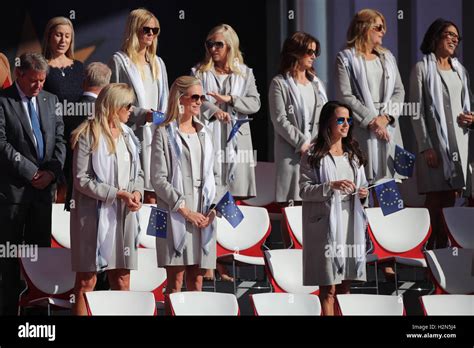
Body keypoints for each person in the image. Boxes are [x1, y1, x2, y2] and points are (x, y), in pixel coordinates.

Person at [336, 9, 405, 280]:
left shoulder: (387, 57)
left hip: (387, 132)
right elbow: (345, 95)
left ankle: (390, 256)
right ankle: (363, 254)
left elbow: (399, 91)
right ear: (364, 28)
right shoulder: (346, 58)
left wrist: (385, 118)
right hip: (364, 133)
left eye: (384, 27)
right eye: (378, 27)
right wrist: (371, 119)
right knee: (363, 192)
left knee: (389, 194)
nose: (382, 32)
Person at [150, 76, 223, 314]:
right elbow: (158, 179)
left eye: (201, 97)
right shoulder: (162, 132)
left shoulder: (206, 133)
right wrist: (185, 210)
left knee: (198, 280)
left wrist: (213, 209)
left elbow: (216, 175)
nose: (200, 102)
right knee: (176, 281)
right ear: (179, 99)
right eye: (195, 97)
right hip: (173, 214)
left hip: (203, 213)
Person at [69, 83, 144, 315]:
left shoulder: (129, 135)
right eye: (128, 105)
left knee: (121, 280)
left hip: (124, 215)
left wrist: (137, 193)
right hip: (91, 217)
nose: (132, 110)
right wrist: (116, 193)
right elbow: (81, 179)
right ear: (114, 106)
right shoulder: (86, 134)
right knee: (86, 282)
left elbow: (139, 174)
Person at [0, 53, 66, 315]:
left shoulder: (51, 100)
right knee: (10, 259)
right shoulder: (4, 102)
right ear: (19, 75)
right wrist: (31, 173)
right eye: (34, 81)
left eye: (42, 80)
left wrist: (50, 173)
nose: (39, 86)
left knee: (40, 256)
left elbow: (60, 141)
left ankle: (37, 315)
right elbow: (1, 143)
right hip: (13, 195)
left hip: (43, 193)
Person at [300, 101, 369, 316]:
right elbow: (304, 190)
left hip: (350, 223)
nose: (346, 124)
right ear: (328, 122)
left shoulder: (354, 154)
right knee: (328, 287)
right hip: (325, 226)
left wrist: (363, 193)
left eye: (349, 120)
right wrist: (331, 186)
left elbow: (363, 185)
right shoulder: (313, 153)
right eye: (341, 119)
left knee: (345, 286)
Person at [410, 18, 474, 249]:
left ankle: (444, 254)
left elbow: (465, 103)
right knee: (436, 199)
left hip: (459, 144)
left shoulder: (460, 70)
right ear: (435, 37)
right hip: (434, 146)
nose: (454, 39)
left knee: (449, 199)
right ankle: (431, 251)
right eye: (449, 34)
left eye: (457, 36)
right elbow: (416, 112)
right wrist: (426, 145)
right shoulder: (422, 69)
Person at [269, 31, 328, 247]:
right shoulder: (280, 83)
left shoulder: (315, 84)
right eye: (309, 51)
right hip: (292, 155)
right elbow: (280, 119)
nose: (314, 56)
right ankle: (292, 254)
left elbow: (324, 117)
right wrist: (302, 143)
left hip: (316, 155)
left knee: (313, 204)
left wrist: (320, 144)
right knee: (292, 205)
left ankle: (311, 254)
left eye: (316, 52)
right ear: (295, 53)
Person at [192, 23, 260, 200]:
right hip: (209, 134)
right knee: (209, 192)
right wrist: (215, 110)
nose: (213, 48)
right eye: (209, 44)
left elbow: (255, 103)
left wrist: (231, 99)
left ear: (230, 45)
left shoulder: (245, 73)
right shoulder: (199, 73)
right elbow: (194, 99)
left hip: (236, 139)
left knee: (235, 194)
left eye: (218, 44)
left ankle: (232, 227)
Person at [109, 8, 169, 204]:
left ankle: (156, 236)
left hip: (158, 135)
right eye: (146, 29)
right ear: (134, 30)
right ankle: (138, 235)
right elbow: (115, 103)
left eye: (155, 30)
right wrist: (144, 114)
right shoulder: (120, 61)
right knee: (140, 194)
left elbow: (166, 101)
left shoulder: (158, 63)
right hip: (134, 135)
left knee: (159, 195)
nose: (151, 34)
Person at [64, 62, 112, 212]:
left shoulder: (67, 109)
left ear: (84, 82)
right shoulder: (104, 114)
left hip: (71, 185)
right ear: (106, 88)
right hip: (99, 189)